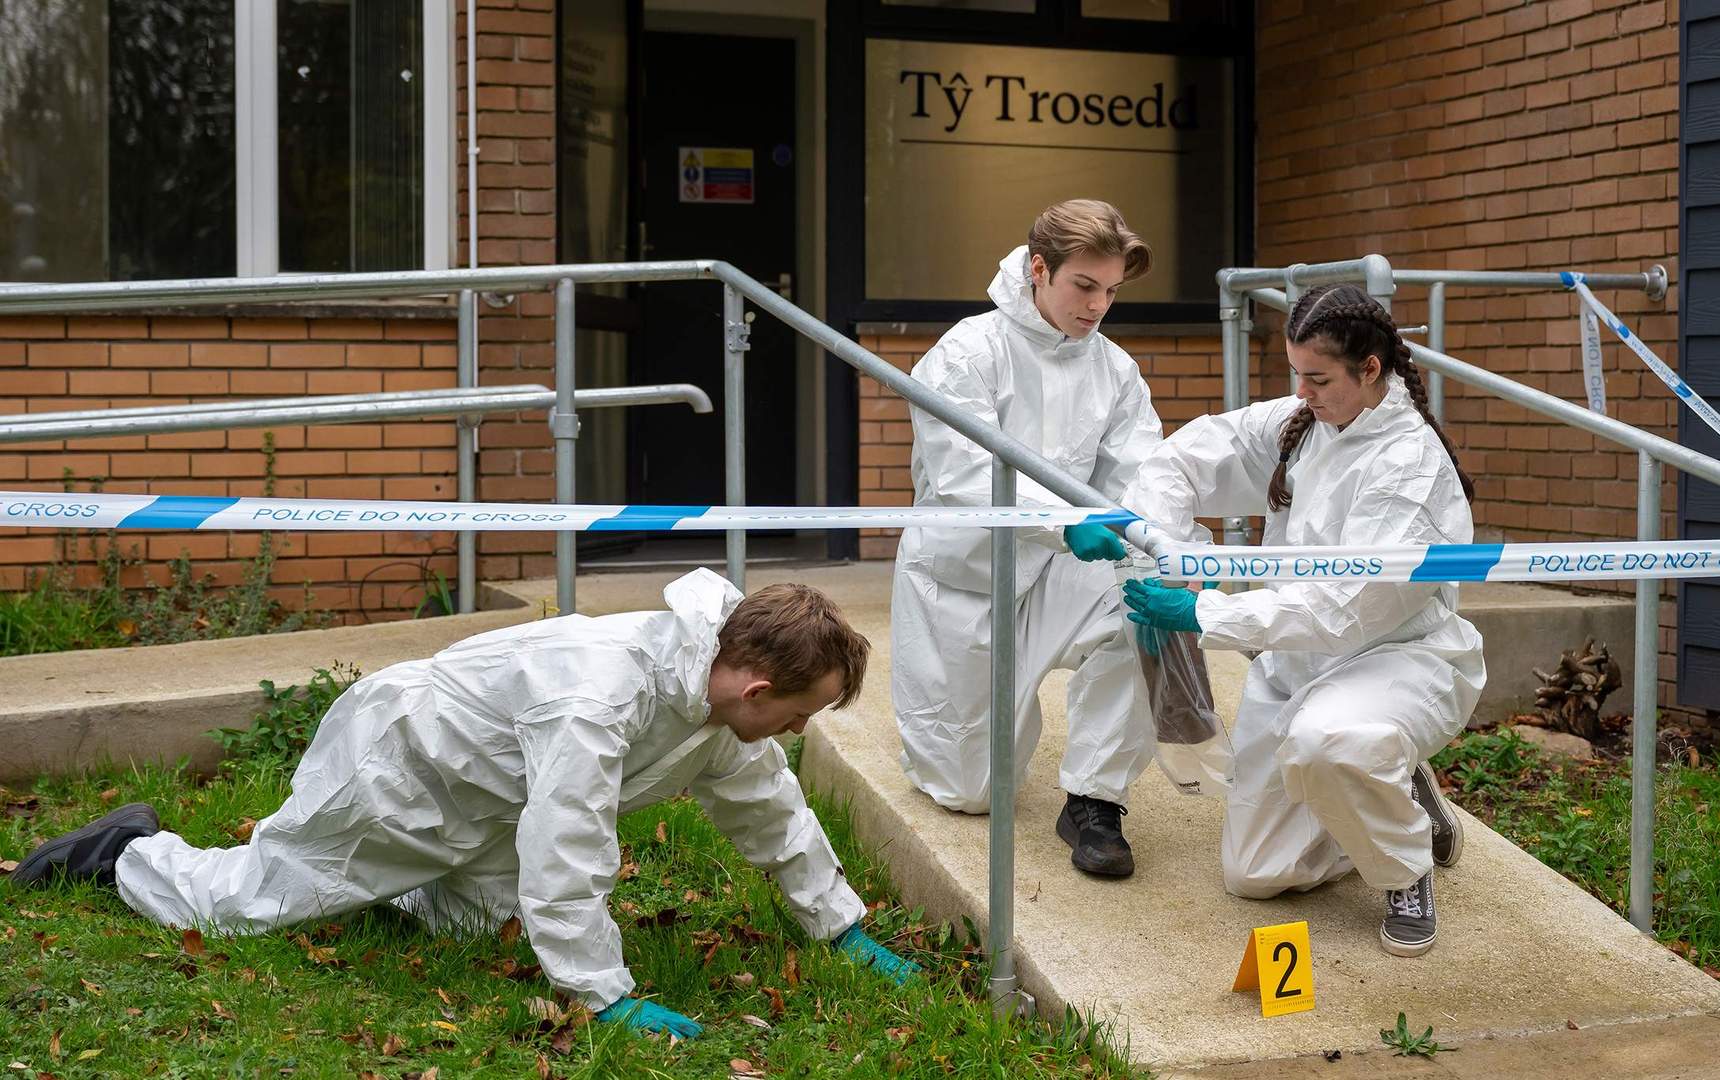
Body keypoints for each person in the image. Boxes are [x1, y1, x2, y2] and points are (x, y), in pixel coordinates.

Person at [11, 569, 917, 1037]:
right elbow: (569, 844)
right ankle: (124, 851)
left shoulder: (715, 708)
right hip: (402, 776)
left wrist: (840, 928)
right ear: (756, 687)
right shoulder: (599, 698)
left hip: (486, 804)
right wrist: (602, 995)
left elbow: (769, 811)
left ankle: (399, 891)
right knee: (251, 906)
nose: (797, 734)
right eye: (798, 715)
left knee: (460, 930)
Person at [1086, 283, 1485, 955]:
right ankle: (1389, 793)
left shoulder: (1409, 466)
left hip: (1394, 661)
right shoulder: (1309, 422)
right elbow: (1189, 456)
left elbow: (1348, 607)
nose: (1302, 392)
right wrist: (1157, 543)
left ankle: (1406, 863)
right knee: (1256, 873)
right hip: (1295, 662)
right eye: (1296, 374)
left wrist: (1204, 612)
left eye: (1318, 378)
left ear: (1371, 369)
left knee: (1332, 742)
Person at [891, 199, 1164, 877]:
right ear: (1038, 270)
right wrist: (1069, 521)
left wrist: (1157, 539)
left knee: (1145, 605)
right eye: (1084, 286)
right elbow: (965, 471)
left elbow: (1141, 472)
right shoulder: (967, 351)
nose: (1098, 306)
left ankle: (1095, 799)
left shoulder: (1113, 369)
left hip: (1058, 573)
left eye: (1111, 291)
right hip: (963, 585)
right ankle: (965, 741)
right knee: (972, 792)